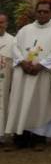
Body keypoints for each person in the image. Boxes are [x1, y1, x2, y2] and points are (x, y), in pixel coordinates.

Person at [4, 1, 51, 150]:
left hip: (43, 73)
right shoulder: (25, 29)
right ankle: (20, 137)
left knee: (40, 104)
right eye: (39, 11)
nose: (42, 14)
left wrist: (41, 65)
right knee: (20, 102)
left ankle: (39, 138)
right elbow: (15, 47)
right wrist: (22, 62)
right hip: (23, 73)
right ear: (35, 12)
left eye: (45, 11)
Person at [0, 13, 17, 148]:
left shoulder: (13, 41)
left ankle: (1, 134)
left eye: (1, 22)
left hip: (5, 78)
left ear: (6, 24)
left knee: (3, 104)